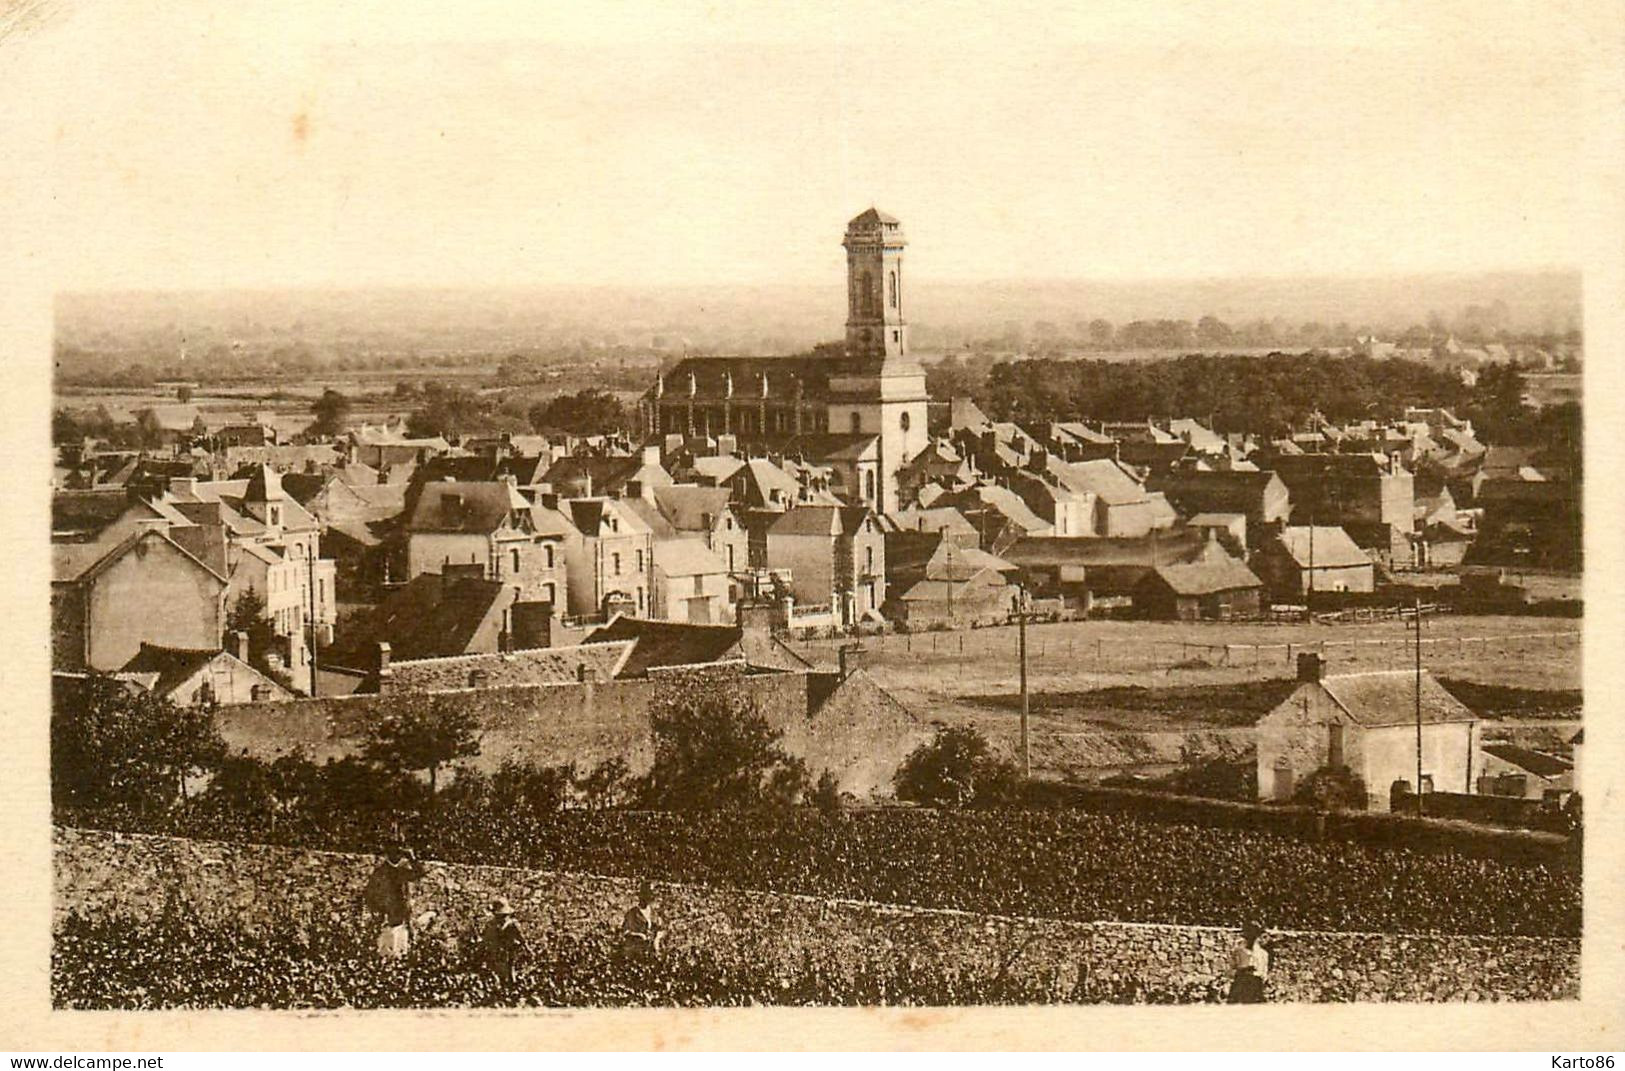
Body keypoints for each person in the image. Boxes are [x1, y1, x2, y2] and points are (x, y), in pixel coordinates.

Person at [363, 841, 426, 959]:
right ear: (387, 854)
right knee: (386, 953)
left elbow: (420, 873)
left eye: (398, 853)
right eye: (393, 853)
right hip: (386, 918)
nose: (396, 856)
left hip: (399, 917)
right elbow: (370, 894)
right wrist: (378, 912)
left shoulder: (400, 871)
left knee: (400, 953)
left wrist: (412, 858)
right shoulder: (381, 872)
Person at [482, 898, 531, 987]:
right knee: (498, 970)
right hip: (497, 951)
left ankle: (512, 985)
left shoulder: (512, 924)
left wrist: (527, 949)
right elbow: (487, 938)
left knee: (510, 969)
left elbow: (521, 938)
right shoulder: (492, 924)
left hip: (509, 950)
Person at [1226, 920, 1270, 1003]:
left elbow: (1263, 974)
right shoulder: (1238, 951)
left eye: (1254, 934)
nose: (1251, 937)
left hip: (1255, 986)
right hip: (1241, 984)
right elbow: (1231, 970)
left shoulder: (1263, 954)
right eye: (1248, 933)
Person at [621, 881, 664, 958]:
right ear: (641, 895)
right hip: (635, 952)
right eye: (647, 894)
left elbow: (660, 929)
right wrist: (639, 935)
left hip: (651, 951)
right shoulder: (633, 913)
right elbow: (625, 932)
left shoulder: (653, 913)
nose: (650, 897)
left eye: (651, 894)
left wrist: (657, 938)